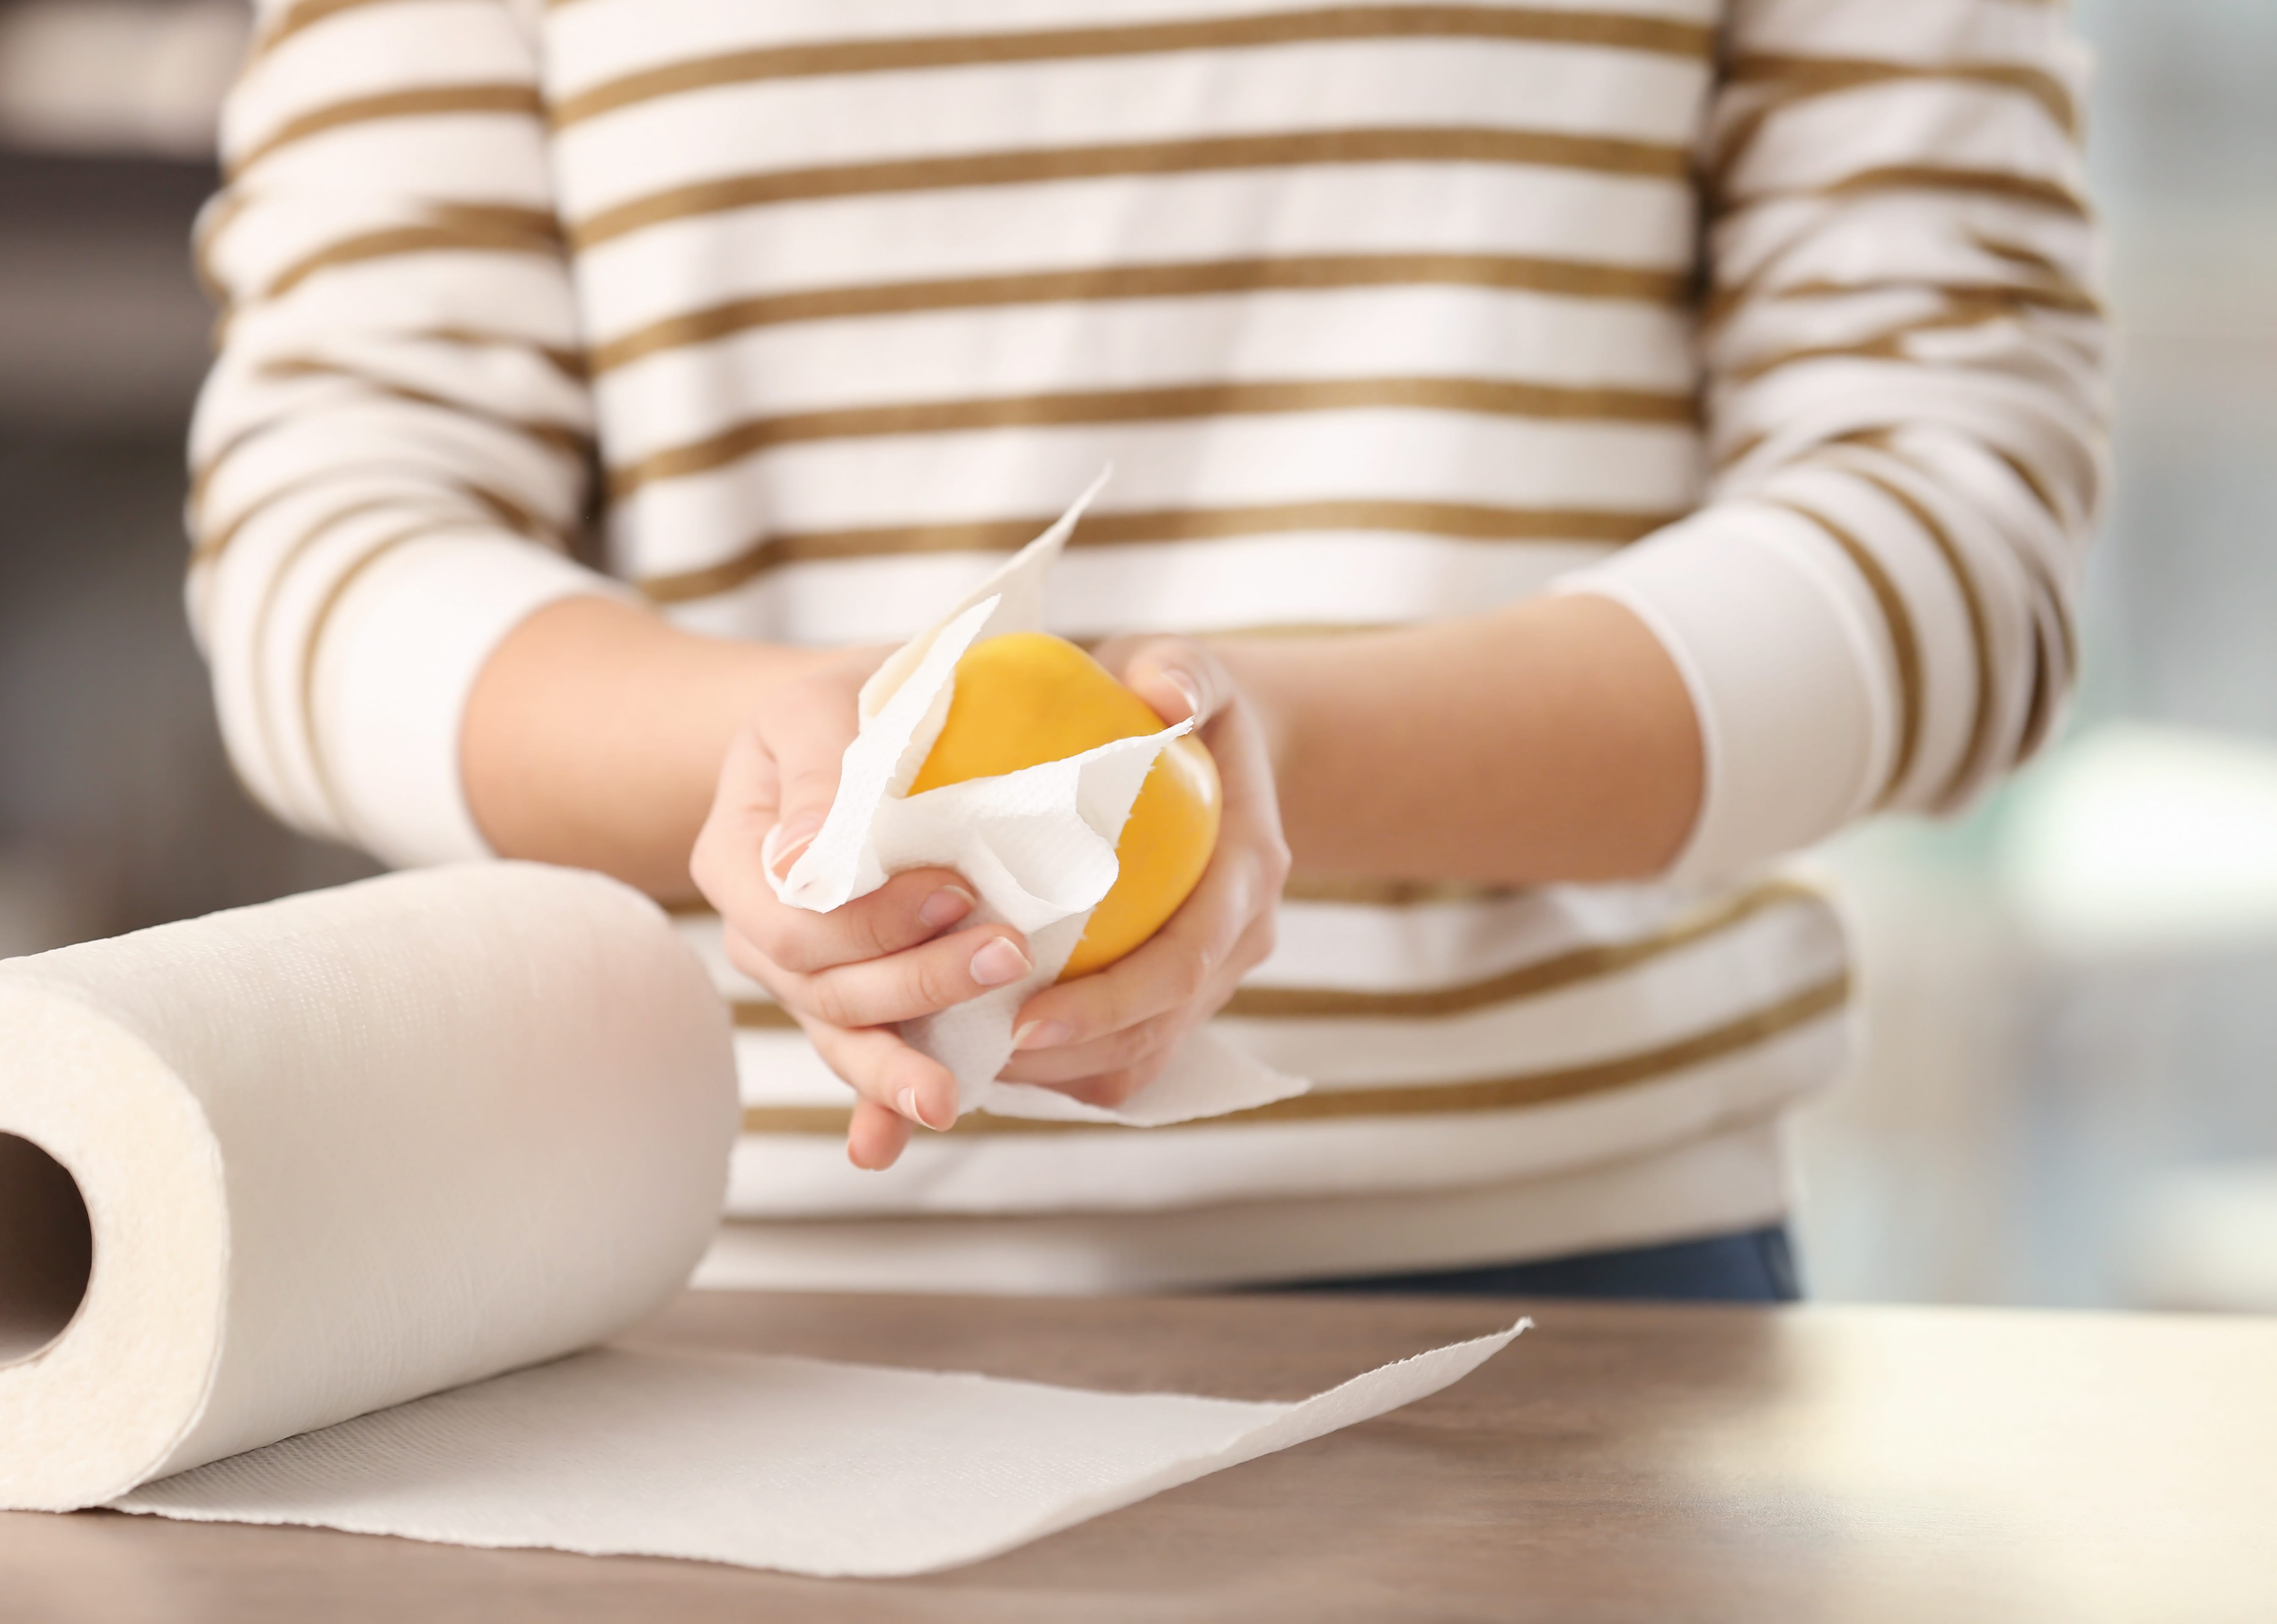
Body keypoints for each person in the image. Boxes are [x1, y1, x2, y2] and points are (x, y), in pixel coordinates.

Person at [188, 0, 2105, 1299]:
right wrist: (790, 771)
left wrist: (1208, 765)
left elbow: (1959, 510)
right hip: (705, 1300)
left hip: (1573, 1313)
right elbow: (329, 531)